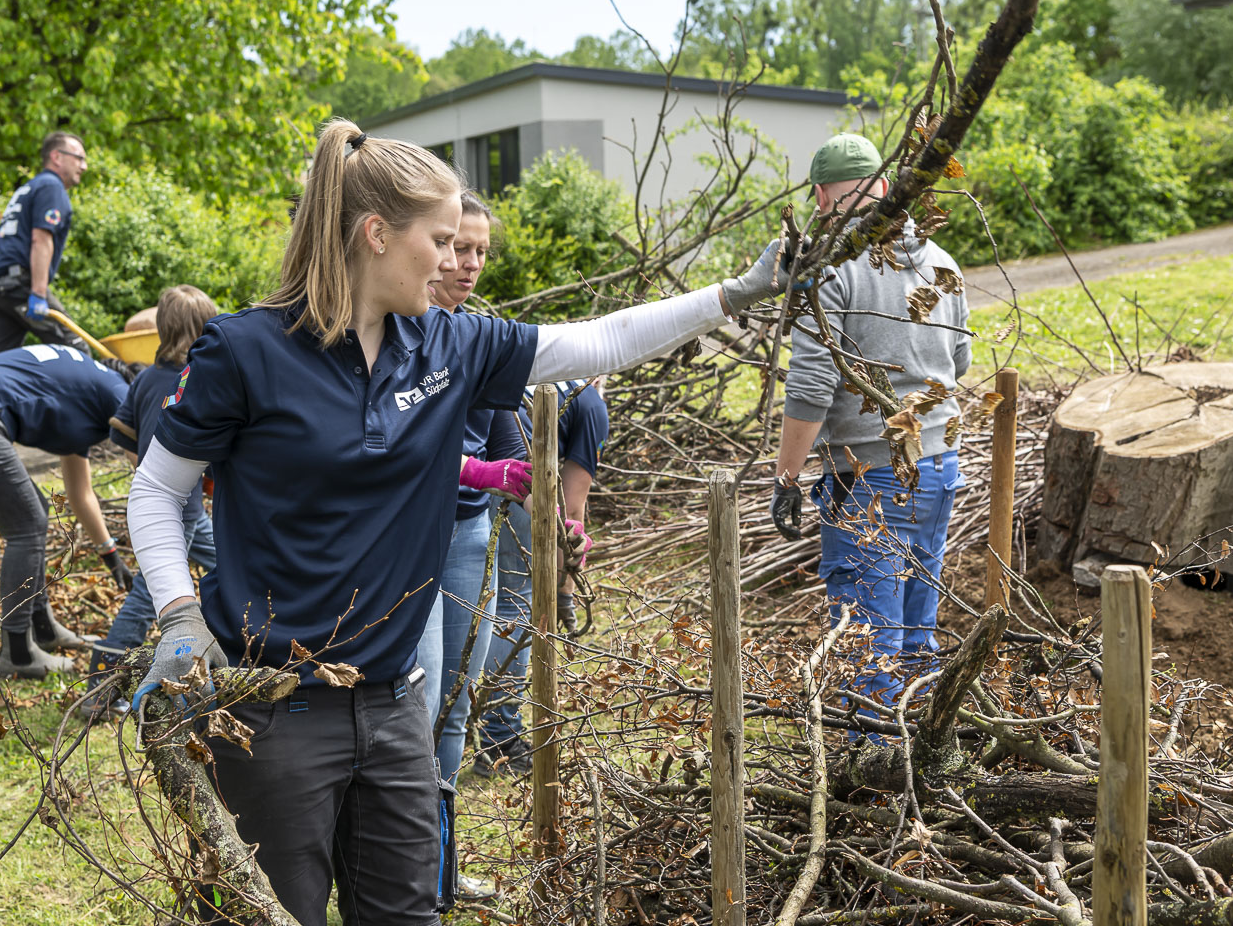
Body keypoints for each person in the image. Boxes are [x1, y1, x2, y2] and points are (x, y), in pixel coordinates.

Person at [125, 119, 799, 926]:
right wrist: (175, 610)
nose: (456, 261)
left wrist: (734, 294)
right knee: (274, 914)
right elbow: (156, 490)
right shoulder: (246, 350)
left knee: (410, 915)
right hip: (272, 708)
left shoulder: (451, 344)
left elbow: (599, 341)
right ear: (376, 235)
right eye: (440, 240)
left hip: (393, 704)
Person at [769, 133, 971, 703]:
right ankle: (924, 749)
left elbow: (810, 386)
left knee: (867, 634)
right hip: (938, 464)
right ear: (884, 188)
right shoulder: (940, 261)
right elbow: (959, 361)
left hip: (870, 475)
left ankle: (878, 763)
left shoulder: (831, 270)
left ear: (819, 196)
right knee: (914, 624)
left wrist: (786, 478)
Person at [0, 344, 137, 677]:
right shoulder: (120, 390)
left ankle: (41, 629)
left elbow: (79, 492)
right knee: (28, 524)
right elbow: (147, 471)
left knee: (32, 514)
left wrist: (110, 555)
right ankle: (17, 654)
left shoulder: (84, 386)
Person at [416, 190, 533, 790]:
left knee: (458, 701)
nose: (471, 264)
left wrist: (552, 514)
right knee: (423, 697)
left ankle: (444, 867)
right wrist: (481, 473)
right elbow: (404, 450)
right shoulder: (398, 336)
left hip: (468, 533)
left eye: (482, 252)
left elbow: (508, 442)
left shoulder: (475, 337)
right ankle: (405, 869)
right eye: (459, 247)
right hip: (409, 535)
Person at [82, 285, 219, 721]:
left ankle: (239, 651)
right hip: (181, 514)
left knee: (234, 564)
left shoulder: (143, 378)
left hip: (159, 507)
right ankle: (99, 690)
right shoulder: (198, 380)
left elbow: (122, 436)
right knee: (144, 601)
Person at [475, 377, 609, 778]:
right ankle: (501, 738)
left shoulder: (543, 376)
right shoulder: (592, 405)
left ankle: (459, 722)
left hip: (476, 467)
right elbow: (573, 510)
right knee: (516, 600)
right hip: (520, 479)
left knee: (479, 600)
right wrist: (565, 588)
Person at [0, 131, 89, 357]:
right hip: (18, 285)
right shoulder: (51, 186)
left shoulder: (30, 187)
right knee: (76, 351)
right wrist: (38, 293)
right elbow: (41, 238)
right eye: (79, 158)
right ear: (56, 157)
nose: (84, 166)